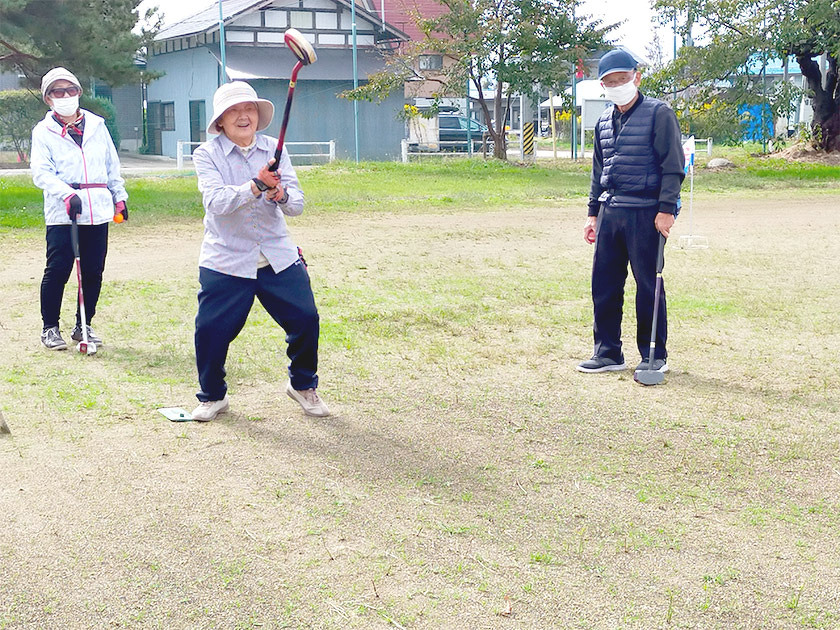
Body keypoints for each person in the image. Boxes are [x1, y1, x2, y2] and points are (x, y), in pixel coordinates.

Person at [190, 81, 330, 422]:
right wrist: (255, 186)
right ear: (220, 121)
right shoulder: (206, 154)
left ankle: (302, 384)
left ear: (258, 115)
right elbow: (216, 202)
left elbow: (296, 205)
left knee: (306, 319)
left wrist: (278, 194)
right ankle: (213, 396)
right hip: (226, 257)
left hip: (277, 254)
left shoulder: (275, 149)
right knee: (210, 331)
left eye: (249, 108)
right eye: (234, 110)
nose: (243, 116)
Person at [577, 50, 685, 376]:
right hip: (611, 211)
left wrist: (667, 210)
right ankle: (608, 352)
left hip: (646, 212)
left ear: (636, 77)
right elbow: (599, 172)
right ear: (603, 86)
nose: (616, 85)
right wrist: (593, 213)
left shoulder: (659, 113)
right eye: (610, 82)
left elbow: (673, 166)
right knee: (605, 285)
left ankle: (654, 355)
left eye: (622, 79)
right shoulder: (603, 122)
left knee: (648, 286)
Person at [31, 67, 128, 351]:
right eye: (58, 92)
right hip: (64, 211)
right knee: (59, 268)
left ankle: (83, 324)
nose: (65, 96)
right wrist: (66, 193)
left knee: (93, 270)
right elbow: (41, 172)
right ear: (48, 99)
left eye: (70, 90)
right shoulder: (43, 131)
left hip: (97, 207)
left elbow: (112, 166)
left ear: (79, 93)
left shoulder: (98, 126)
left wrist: (119, 197)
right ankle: (50, 328)